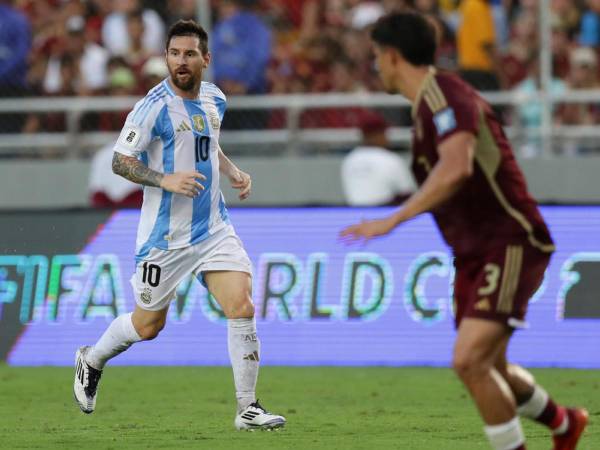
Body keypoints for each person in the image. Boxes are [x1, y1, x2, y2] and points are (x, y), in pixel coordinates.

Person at [340, 13, 587, 450]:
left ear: (393, 56)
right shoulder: (425, 111)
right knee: (490, 365)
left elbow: (456, 167)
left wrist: (393, 219)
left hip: (510, 239)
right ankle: (564, 423)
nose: (375, 65)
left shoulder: (445, 96)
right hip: (473, 253)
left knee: (469, 360)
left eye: (377, 56)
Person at [73, 19, 286, 431]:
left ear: (205, 59)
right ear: (166, 58)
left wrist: (231, 170)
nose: (181, 62)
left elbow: (207, 142)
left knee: (241, 304)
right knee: (147, 326)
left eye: (189, 54)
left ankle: (248, 408)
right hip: (165, 238)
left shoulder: (214, 98)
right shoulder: (152, 107)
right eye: (174, 54)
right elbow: (121, 160)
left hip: (212, 228)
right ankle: (93, 358)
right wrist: (164, 179)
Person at [341, 113, 414, 206]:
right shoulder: (390, 159)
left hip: (355, 213)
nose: (386, 138)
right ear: (378, 134)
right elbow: (406, 195)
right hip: (385, 213)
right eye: (384, 133)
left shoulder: (349, 159)